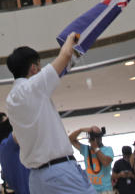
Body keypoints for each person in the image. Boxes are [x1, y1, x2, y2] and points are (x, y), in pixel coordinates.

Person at [5, 33, 97, 194]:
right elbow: (66, 55)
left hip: (36, 179)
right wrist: (71, 38)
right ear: (34, 68)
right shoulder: (33, 87)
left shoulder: (11, 101)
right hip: (60, 173)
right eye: (39, 66)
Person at [0, 111, 30, 194]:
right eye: (6, 119)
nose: (10, 122)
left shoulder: (5, 148)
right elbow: (20, 129)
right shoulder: (6, 145)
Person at [70, 126, 114, 194]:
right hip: (90, 190)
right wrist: (80, 130)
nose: (95, 139)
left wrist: (95, 148)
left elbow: (105, 162)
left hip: (105, 190)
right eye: (92, 137)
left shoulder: (108, 149)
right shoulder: (86, 149)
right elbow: (70, 139)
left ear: (100, 137)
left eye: (97, 137)